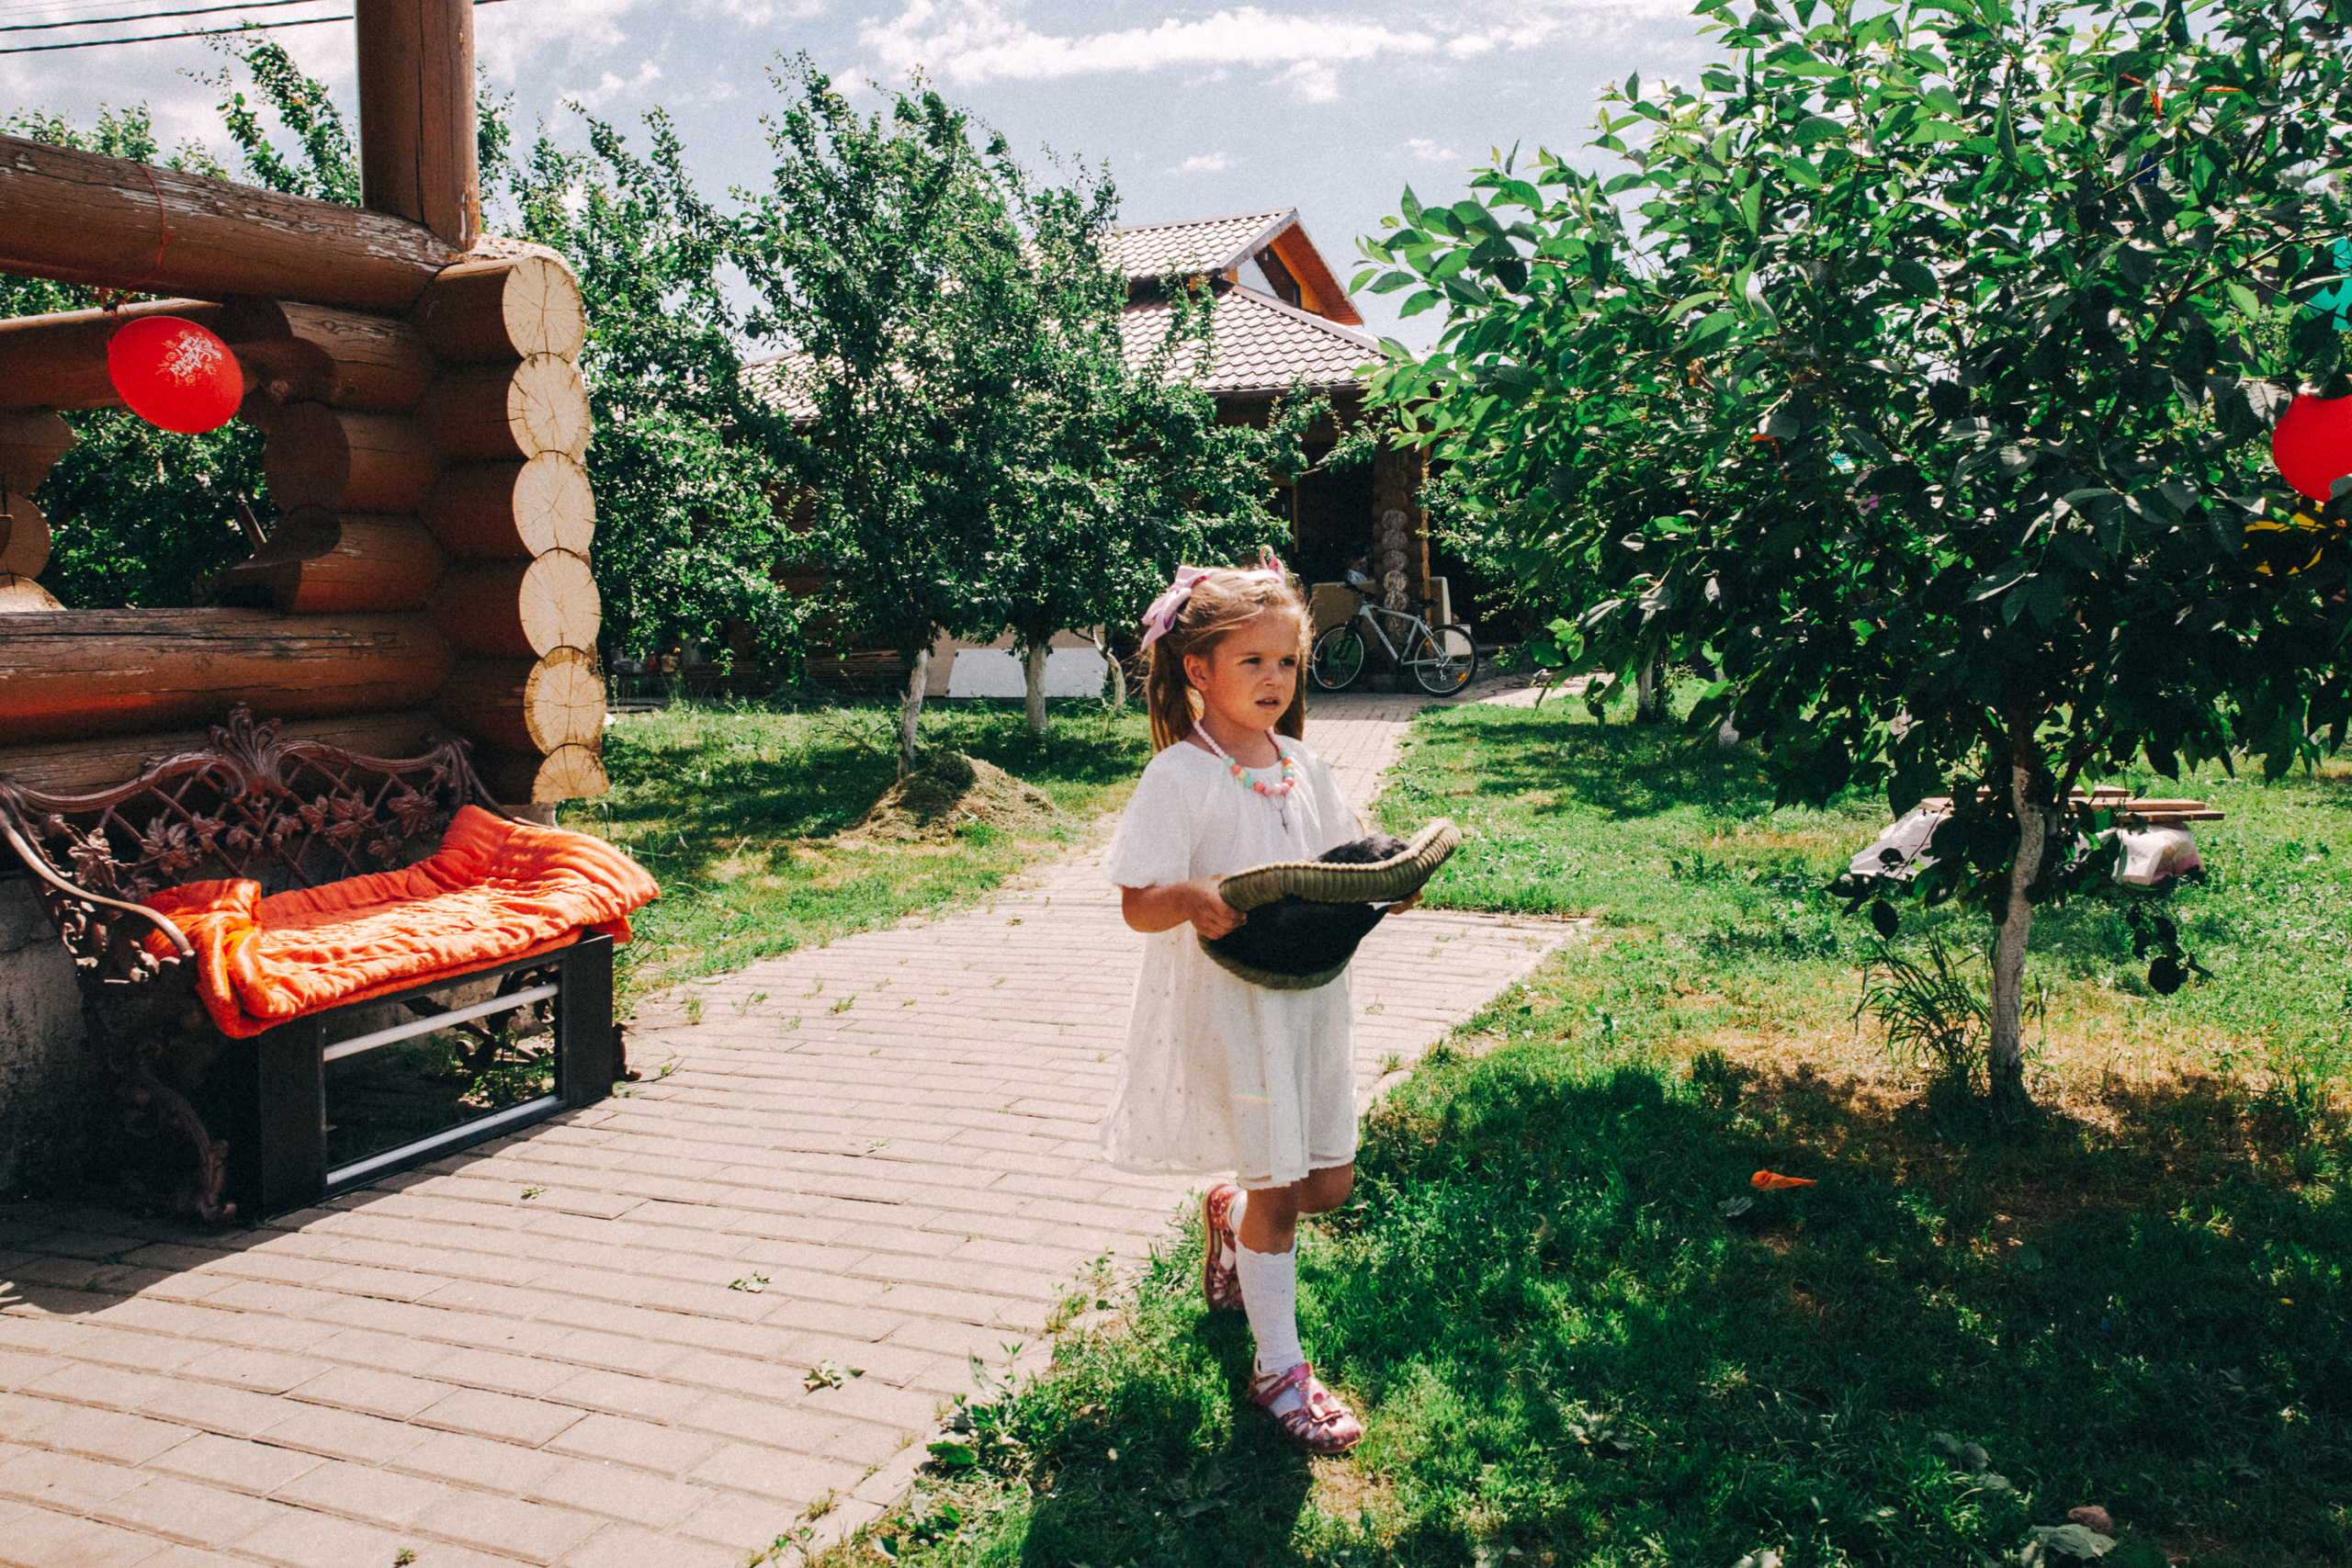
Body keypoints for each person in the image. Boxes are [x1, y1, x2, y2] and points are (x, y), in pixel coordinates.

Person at [1098, 547, 1417, 1454]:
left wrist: (1392, 886)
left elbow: (1340, 867)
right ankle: (1279, 1366)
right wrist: (1191, 898)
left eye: (1286, 661)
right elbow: (1136, 903)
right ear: (1197, 670)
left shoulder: (1304, 766)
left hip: (1310, 999)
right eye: (1252, 661)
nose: (1274, 678)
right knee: (1280, 1188)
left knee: (1325, 1183)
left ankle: (1228, 1217)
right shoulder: (1180, 776)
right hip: (1235, 1010)